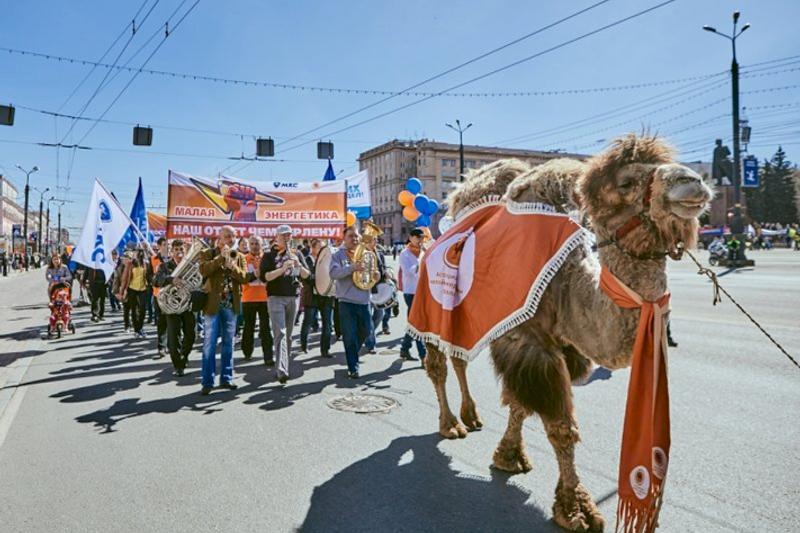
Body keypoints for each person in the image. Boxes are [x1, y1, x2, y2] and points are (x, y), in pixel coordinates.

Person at [198, 226, 247, 395]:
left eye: (233, 236)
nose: (230, 239)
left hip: (230, 305)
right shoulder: (207, 253)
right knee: (209, 343)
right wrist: (220, 258)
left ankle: (226, 377)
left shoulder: (239, 256)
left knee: (228, 343)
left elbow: (244, 278)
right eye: (227, 236)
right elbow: (203, 270)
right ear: (219, 238)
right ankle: (207, 381)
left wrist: (232, 266)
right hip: (212, 304)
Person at [260, 225, 309, 383]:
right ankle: (282, 371)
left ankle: (283, 365)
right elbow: (265, 277)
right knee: (280, 333)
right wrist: (282, 269)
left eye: (289, 235)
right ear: (277, 238)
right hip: (275, 297)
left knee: (288, 336)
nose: (287, 238)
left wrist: (298, 264)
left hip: (293, 296)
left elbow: (307, 275)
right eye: (283, 236)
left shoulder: (297, 253)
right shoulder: (268, 255)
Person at [330, 226, 378, 379]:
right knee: (349, 336)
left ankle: (352, 354)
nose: (355, 239)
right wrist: (352, 268)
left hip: (364, 301)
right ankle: (353, 367)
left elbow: (371, 274)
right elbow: (334, 273)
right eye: (351, 236)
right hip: (346, 302)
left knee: (367, 331)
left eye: (356, 236)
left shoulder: (366, 253)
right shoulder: (338, 255)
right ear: (344, 239)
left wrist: (375, 276)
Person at [153, 239, 196, 377]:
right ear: (171, 252)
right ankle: (178, 365)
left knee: (191, 335)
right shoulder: (165, 266)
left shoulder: (191, 266)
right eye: (176, 250)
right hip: (171, 307)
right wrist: (171, 280)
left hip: (188, 305)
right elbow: (155, 281)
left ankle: (184, 354)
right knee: (174, 337)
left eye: (181, 249)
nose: (179, 252)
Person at [241, 235, 274, 365]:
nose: (254, 246)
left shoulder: (267, 258)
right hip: (248, 298)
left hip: (265, 298)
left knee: (265, 328)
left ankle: (268, 357)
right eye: (252, 244)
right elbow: (243, 277)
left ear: (262, 245)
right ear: (249, 245)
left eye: (257, 244)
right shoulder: (243, 259)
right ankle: (247, 352)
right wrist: (255, 275)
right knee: (248, 327)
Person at [299, 239, 335, 357]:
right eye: (320, 247)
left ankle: (325, 350)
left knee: (327, 324)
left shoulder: (328, 260)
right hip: (312, 296)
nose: (323, 250)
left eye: (324, 247)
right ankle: (303, 345)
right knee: (308, 322)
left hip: (326, 296)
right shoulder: (308, 260)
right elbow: (307, 278)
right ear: (313, 248)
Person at [398, 228, 427, 363]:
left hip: (422, 291)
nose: (421, 240)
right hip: (410, 292)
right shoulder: (405, 253)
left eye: (422, 238)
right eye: (418, 237)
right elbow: (408, 272)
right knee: (417, 322)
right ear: (411, 238)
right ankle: (423, 355)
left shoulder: (423, 252)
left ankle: (404, 348)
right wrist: (421, 262)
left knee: (413, 322)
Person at [119, 249, 151, 339]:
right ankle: (137, 330)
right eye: (137, 253)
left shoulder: (145, 263)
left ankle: (140, 327)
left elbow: (148, 276)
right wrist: (122, 291)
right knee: (134, 310)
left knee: (143, 310)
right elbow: (125, 278)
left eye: (140, 253)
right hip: (132, 289)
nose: (138, 254)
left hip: (143, 289)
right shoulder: (130, 264)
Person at [151, 238, 169, 357]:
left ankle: (172, 345)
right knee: (161, 322)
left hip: (172, 295)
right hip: (158, 294)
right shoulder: (153, 259)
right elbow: (149, 276)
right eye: (164, 244)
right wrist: (157, 279)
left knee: (173, 321)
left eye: (168, 244)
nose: (167, 246)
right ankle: (162, 347)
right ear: (158, 246)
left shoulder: (173, 259)